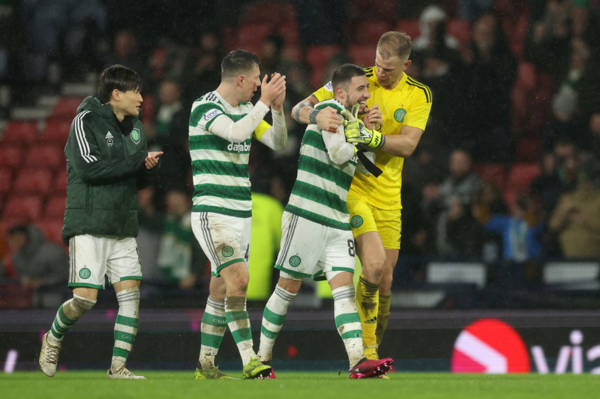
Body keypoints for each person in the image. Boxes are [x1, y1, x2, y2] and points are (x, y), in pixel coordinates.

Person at [291, 31, 432, 362]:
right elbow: (299, 108)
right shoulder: (358, 80)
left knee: (385, 282)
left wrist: (369, 136)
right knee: (373, 264)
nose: (380, 74)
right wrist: (316, 115)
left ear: (407, 65)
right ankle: (364, 355)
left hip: (389, 195)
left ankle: (373, 353)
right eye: (378, 65)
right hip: (353, 189)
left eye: (389, 69)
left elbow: (409, 145)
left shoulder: (418, 95)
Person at [256, 63, 393, 378]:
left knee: (343, 291)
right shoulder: (330, 108)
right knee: (286, 289)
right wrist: (360, 134)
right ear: (342, 91)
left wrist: (372, 134)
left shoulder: (347, 119)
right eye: (361, 89)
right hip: (307, 215)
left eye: (367, 89)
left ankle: (357, 362)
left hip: (337, 220)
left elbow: (363, 167)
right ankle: (260, 360)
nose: (366, 95)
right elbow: (338, 153)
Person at [38, 64, 162, 379]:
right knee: (84, 300)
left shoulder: (136, 129)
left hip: (122, 225)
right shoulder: (85, 121)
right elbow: (91, 170)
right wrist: (136, 162)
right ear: (115, 94)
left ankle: (118, 368)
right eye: (135, 91)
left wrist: (146, 171)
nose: (141, 98)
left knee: (131, 296)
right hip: (89, 224)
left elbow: (134, 179)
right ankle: (52, 337)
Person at [189, 49, 287, 379]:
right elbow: (235, 133)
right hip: (213, 213)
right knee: (240, 281)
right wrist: (263, 105)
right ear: (241, 79)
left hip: (241, 213)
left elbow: (278, 141)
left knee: (220, 289)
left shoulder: (248, 108)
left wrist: (277, 109)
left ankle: (205, 363)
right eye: (257, 81)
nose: (259, 86)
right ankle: (251, 360)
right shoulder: (205, 107)